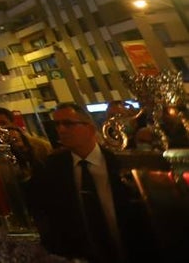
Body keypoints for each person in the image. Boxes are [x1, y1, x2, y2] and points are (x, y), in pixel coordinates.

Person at [28, 103, 156, 263]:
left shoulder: (119, 162)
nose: (61, 130)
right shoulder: (52, 167)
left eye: (68, 124)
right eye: (57, 125)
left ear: (89, 127)